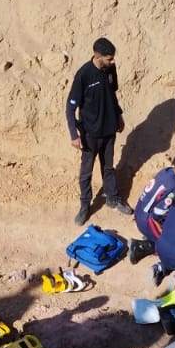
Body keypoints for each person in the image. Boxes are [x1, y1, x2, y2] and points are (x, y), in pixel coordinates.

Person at [66, 37, 133, 226]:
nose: (113, 62)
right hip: (90, 134)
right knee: (86, 171)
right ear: (97, 56)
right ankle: (85, 206)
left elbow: (112, 94)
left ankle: (113, 197)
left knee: (108, 167)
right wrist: (74, 134)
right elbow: (70, 107)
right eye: (109, 59)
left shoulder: (110, 69)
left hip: (109, 129)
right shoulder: (84, 75)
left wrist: (118, 116)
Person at [130, 150, 175, 263]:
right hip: (147, 220)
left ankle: (152, 237)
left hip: (139, 211)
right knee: (173, 245)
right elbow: (158, 213)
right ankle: (141, 247)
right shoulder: (174, 186)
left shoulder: (167, 171)